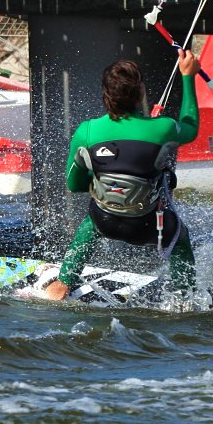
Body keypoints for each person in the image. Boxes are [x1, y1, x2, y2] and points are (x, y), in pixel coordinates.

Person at [43, 50, 201, 301]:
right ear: (140, 94)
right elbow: (191, 126)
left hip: (105, 221)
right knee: (180, 238)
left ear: (106, 96)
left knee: (90, 224)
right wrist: (187, 76)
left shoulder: (87, 131)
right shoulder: (164, 128)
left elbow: (74, 185)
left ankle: (63, 283)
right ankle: (186, 297)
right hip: (150, 226)